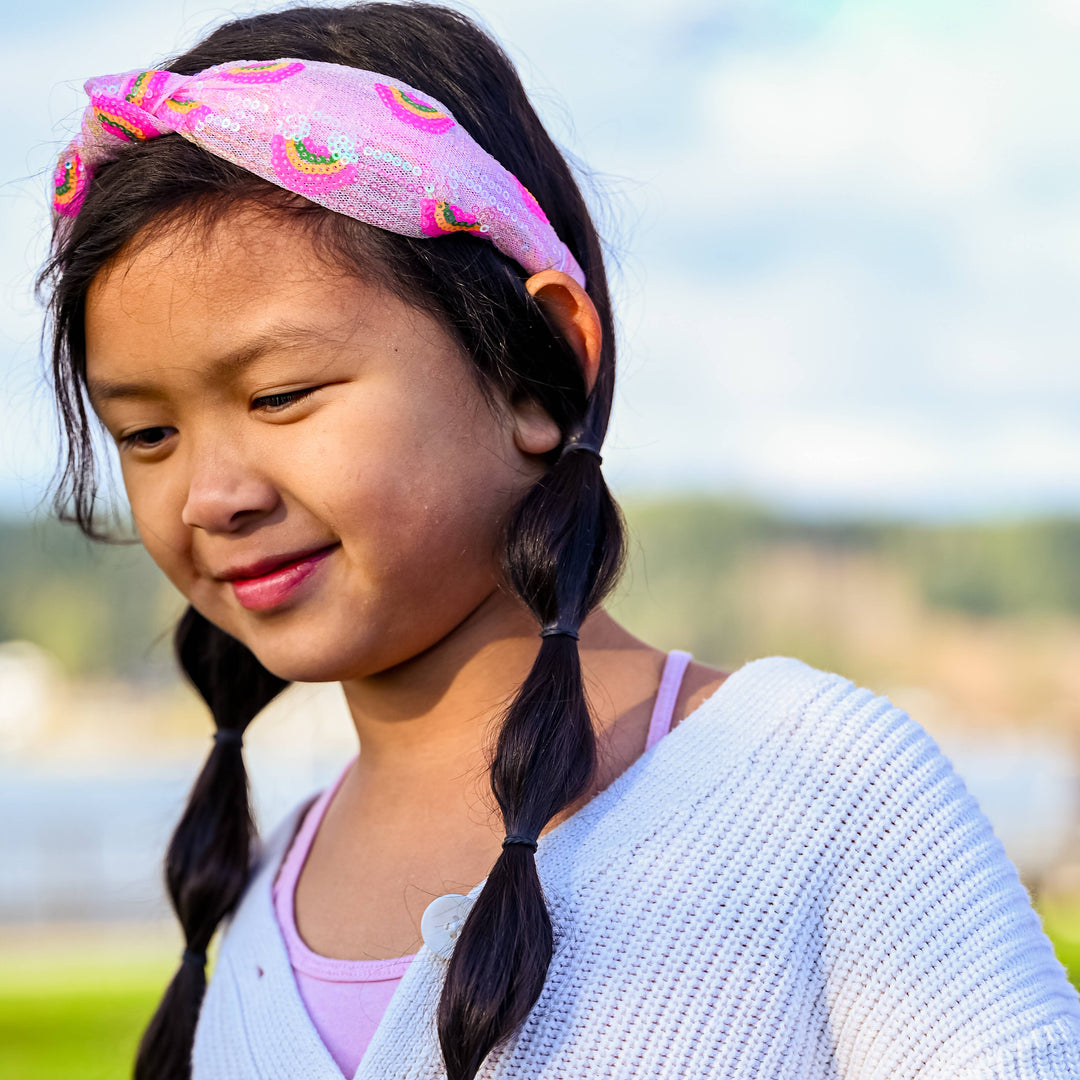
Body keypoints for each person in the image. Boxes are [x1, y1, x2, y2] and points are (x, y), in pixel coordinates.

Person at [38, 3, 1080, 1079]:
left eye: (283, 393)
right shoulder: (261, 904)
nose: (211, 494)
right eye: (147, 432)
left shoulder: (814, 787)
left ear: (539, 366)